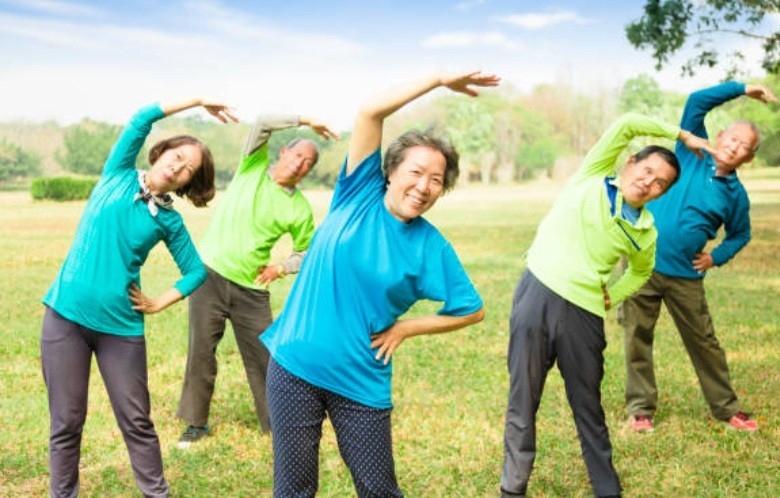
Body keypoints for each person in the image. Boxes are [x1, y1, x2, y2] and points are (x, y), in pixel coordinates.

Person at [259, 70, 496, 497]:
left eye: (436, 180)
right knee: (293, 491)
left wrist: (406, 327)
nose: (423, 186)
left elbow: (471, 309)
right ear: (390, 171)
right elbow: (370, 110)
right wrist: (439, 79)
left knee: (379, 490)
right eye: (416, 172)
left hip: (361, 380)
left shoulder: (430, 246)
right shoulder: (358, 192)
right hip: (295, 366)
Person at [500, 112, 715, 498]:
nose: (648, 182)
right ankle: (512, 488)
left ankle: (606, 488)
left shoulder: (645, 232)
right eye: (646, 170)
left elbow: (640, 272)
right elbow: (629, 124)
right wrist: (684, 135)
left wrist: (610, 296)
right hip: (537, 293)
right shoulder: (592, 174)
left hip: (583, 314)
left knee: (588, 404)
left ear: (661, 194)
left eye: (659, 183)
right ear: (630, 163)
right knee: (523, 399)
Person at [40, 97, 237, 497]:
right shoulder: (117, 174)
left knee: (137, 421)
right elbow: (141, 118)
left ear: (187, 183)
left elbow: (196, 270)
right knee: (66, 422)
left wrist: (161, 300)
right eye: (177, 156)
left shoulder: (169, 220)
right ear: (162, 152)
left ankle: (156, 493)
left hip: (121, 330)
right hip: (65, 318)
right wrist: (198, 100)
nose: (178, 167)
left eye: (189, 169)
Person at [621, 82, 778, 433]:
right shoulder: (691, 150)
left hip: (685, 276)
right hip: (640, 264)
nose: (734, 147)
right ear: (719, 136)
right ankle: (640, 411)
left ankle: (726, 409)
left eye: (744, 147)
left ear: (748, 158)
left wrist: (715, 257)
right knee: (637, 336)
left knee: (704, 342)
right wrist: (742, 88)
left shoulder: (735, 195)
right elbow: (696, 101)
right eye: (732, 138)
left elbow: (740, 234)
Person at [176, 113, 338, 446]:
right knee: (202, 351)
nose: (300, 165)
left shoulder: (300, 209)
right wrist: (306, 121)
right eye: (297, 156)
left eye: (308, 163)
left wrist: (280, 268)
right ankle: (195, 423)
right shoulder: (251, 168)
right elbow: (263, 122)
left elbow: (307, 252)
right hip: (209, 272)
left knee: (266, 360)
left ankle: (275, 424)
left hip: (252, 289)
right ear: (283, 153)